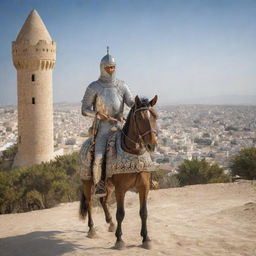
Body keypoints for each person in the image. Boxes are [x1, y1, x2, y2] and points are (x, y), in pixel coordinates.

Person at [81, 47, 134, 197]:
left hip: (120, 126)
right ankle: (99, 184)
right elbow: (84, 109)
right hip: (103, 128)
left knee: (139, 145)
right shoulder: (94, 87)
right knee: (99, 156)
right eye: (108, 67)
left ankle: (147, 177)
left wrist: (142, 105)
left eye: (113, 67)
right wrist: (98, 114)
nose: (110, 70)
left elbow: (130, 102)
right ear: (102, 68)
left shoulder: (122, 85)